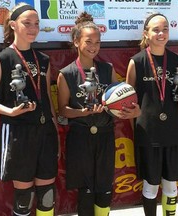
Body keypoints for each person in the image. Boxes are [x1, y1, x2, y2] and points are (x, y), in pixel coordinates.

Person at [0, 3, 59, 216]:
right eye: (27, 23)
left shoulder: (43, 60)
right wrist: (10, 111)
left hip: (45, 133)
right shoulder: (3, 59)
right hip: (18, 133)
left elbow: (47, 99)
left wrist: (53, 126)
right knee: (24, 198)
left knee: (47, 195)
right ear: (13, 25)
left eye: (36, 24)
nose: (33, 28)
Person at [121, 13, 178, 216]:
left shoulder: (177, 60)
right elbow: (126, 98)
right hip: (148, 132)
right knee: (151, 184)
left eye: (165, 29)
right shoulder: (136, 61)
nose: (161, 33)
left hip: (172, 131)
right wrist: (132, 110)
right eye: (156, 29)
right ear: (146, 33)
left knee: (171, 185)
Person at [57, 12, 118, 216]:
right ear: (76, 42)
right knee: (86, 190)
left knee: (104, 188)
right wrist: (82, 112)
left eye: (98, 42)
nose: (94, 46)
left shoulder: (107, 69)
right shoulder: (66, 74)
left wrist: (126, 110)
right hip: (80, 138)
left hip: (105, 134)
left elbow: (118, 101)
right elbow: (63, 110)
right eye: (88, 41)